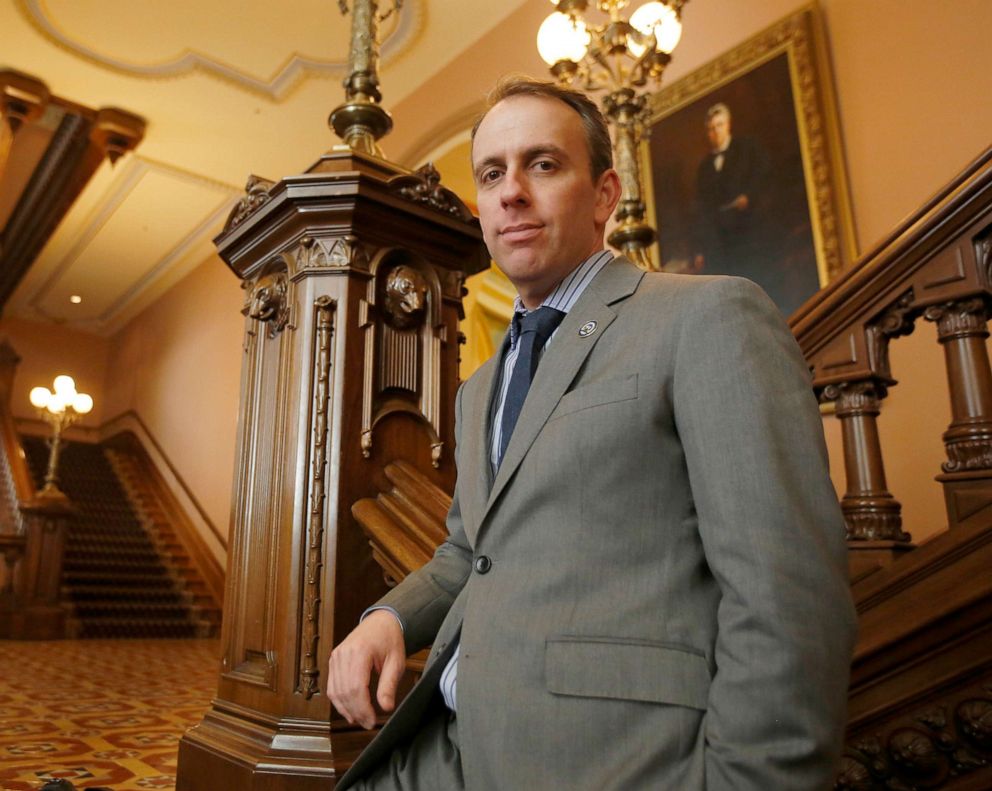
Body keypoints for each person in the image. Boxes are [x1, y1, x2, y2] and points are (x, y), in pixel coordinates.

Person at [328, 76, 857, 790]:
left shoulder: (707, 317)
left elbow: (786, 590)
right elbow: (468, 551)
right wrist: (389, 617)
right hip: (445, 748)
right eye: (491, 173)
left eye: (542, 164)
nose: (511, 190)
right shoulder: (479, 385)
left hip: (611, 761)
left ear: (605, 193)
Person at [692, 102, 770, 280]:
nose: (716, 131)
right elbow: (701, 210)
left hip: (748, 232)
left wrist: (748, 196)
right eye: (711, 128)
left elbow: (763, 177)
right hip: (719, 241)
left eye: (719, 125)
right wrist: (700, 249)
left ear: (728, 125)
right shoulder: (704, 168)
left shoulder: (746, 149)